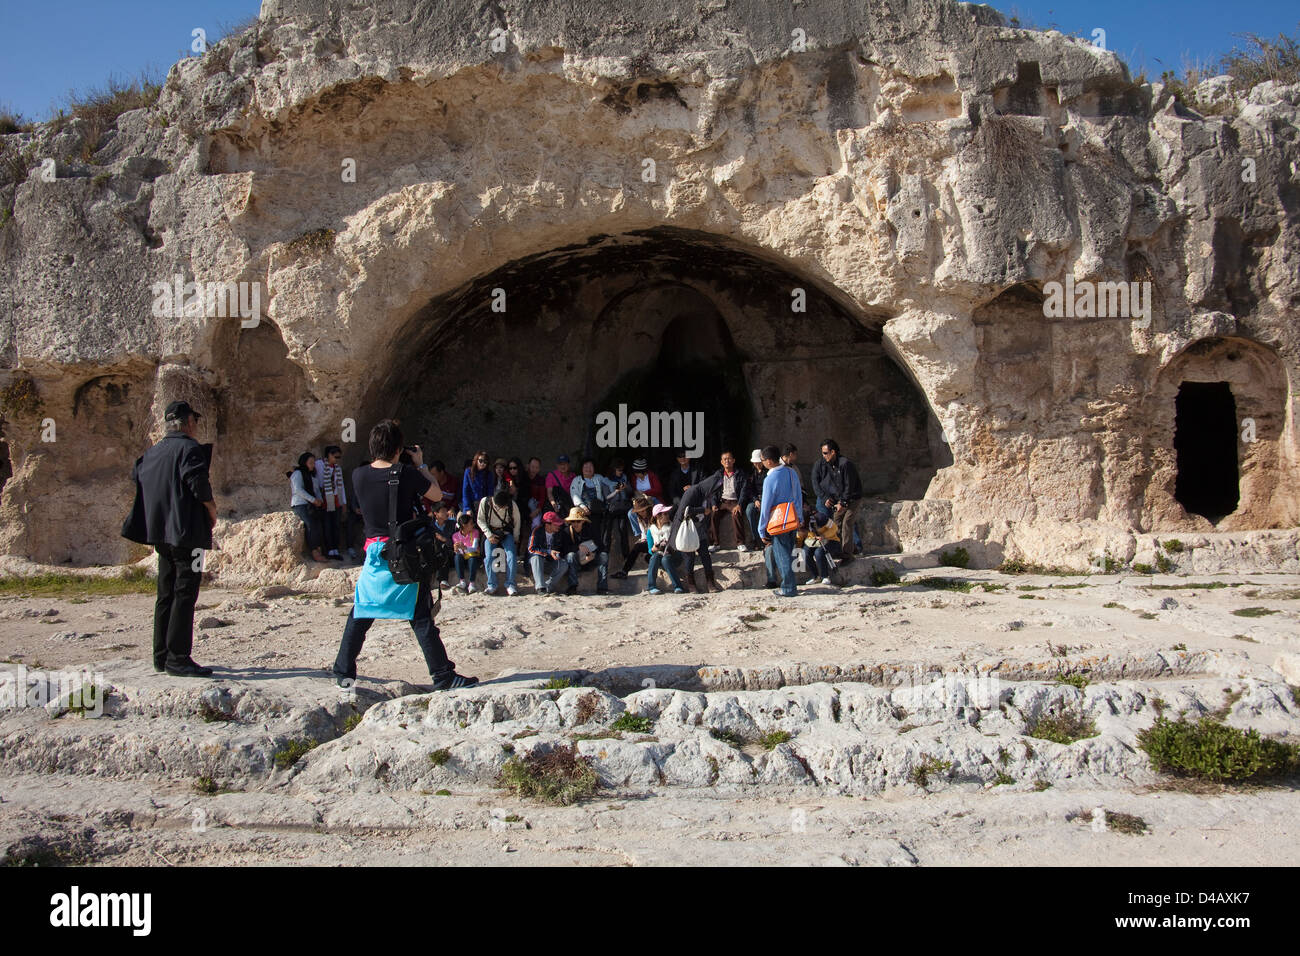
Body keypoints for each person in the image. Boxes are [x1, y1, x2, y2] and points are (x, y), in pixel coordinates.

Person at [331, 420, 477, 690]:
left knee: (361, 612)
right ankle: (443, 676)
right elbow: (436, 495)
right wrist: (420, 464)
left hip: (374, 552)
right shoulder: (406, 474)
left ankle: (343, 673)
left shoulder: (358, 475)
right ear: (399, 449)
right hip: (403, 552)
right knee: (421, 617)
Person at [121, 400, 218, 677]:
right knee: (186, 593)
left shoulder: (152, 453)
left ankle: (161, 656)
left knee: (165, 592)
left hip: (161, 535)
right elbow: (198, 485)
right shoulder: (190, 450)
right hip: (190, 534)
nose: (196, 426)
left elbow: (138, 479)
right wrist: (211, 510)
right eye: (195, 421)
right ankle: (178, 658)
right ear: (188, 422)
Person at [668, 469, 724, 592]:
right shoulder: (693, 491)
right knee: (689, 556)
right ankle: (691, 584)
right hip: (687, 528)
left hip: (699, 527)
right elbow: (684, 511)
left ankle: (710, 582)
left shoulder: (706, 494)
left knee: (705, 554)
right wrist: (702, 510)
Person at [758, 444, 803, 597]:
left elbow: (766, 505)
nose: (762, 463)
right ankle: (791, 585)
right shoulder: (791, 472)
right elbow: (798, 496)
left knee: (781, 555)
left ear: (769, 461)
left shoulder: (770, 479)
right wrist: (800, 516)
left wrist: (761, 528)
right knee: (789, 553)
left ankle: (788, 588)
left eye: (763, 460)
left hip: (778, 522)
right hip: (792, 518)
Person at [811, 438, 863, 560]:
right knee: (836, 523)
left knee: (847, 523)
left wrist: (843, 502)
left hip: (853, 498)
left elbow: (849, 486)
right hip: (841, 499)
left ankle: (847, 555)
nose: (823, 456)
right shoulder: (829, 465)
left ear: (833, 452)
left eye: (825, 453)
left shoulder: (845, 464)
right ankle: (842, 549)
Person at [477, 486, 521, 596]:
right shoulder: (485, 502)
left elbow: (517, 522)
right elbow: (480, 520)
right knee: (488, 557)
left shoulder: (512, 505)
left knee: (511, 555)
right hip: (491, 532)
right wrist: (488, 534)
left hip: (506, 532)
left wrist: (515, 537)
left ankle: (510, 584)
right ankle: (492, 584)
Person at [569, 458, 616, 554]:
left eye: (590, 466)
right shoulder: (577, 480)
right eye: (585, 466)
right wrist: (582, 506)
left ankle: (599, 550)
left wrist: (619, 485)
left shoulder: (599, 478)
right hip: (582, 510)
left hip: (597, 509)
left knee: (596, 526)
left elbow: (610, 484)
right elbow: (574, 494)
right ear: (581, 468)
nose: (588, 469)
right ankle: (588, 550)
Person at [710, 450, 754, 552]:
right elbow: (713, 490)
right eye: (724, 459)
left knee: (736, 514)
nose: (727, 461)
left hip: (735, 501)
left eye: (729, 459)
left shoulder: (740, 473)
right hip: (723, 501)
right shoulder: (718, 474)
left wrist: (739, 504)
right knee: (714, 515)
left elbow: (744, 490)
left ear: (733, 460)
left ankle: (740, 543)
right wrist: (713, 504)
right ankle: (715, 543)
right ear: (721, 462)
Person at [288, 452, 327, 563]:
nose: (313, 465)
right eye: (310, 463)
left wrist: (320, 500)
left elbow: (316, 490)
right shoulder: (298, 474)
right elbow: (298, 490)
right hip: (300, 504)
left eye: (313, 463)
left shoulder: (312, 476)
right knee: (310, 525)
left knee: (318, 524)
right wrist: (313, 500)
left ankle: (319, 550)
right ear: (304, 463)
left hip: (312, 505)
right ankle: (315, 552)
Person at [563, 506, 609, 595]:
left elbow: (600, 546)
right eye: (573, 521)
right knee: (570, 555)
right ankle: (572, 586)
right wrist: (578, 547)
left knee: (604, 555)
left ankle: (602, 587)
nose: (575, 523)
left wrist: (592, 555)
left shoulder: (592, 530)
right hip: (575, 561)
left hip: (591, 560)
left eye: (578, 521)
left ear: (583, 521)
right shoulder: (566, 532)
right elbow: (564, 549)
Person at [528, 510, 572, 595]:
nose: (558, 526)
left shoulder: (559, 533)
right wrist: (548, 552)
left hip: (550, 562)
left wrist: (558, 554)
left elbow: (564, 549)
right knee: (536, 557)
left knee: (564, 564)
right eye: (556, 524)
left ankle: (548, 587)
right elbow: (531, 549)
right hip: (536, 564)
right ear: (547, 524)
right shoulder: (537, 531)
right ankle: (540, 588)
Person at [611, 493, 654, 579]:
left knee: (647, 557)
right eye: (639, 512)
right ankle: (624, 571)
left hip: (657, 542)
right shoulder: (639, 518)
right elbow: (644, 532)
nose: (642, 513)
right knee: (636, 548)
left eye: (643, 511)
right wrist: (642, 540)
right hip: (649, 541)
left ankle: (653, 568)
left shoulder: (654, 516)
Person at [645, 504, 685, 594]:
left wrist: (669, 546)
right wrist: (654, 549)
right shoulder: (651, 530)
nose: (668, 515)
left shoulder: (673, 527)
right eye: (665, 514)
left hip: (675, 555)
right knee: (655, 557)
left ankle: (678, 586)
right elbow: (650, 550)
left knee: (666, 559)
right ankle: (651, 587)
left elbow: (679, 545)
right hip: (660, 556)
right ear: (658, 516)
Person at [316, 445, 347, 559]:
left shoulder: (337, 468)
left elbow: (341, 485)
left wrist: (344, 503)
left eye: (338, 457)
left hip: (336, 500)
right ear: (328, 455)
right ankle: (329, 550)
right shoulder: (320, 465)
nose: (337, 459)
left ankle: (335, 549)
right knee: (327, 526)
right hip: (326, 501)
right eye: (335, 456)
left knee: (336, 525)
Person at [606, 458, 632, 562]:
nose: (621, 472)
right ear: (613, 469)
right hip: (612, 507)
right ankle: (605, 554)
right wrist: (616, 491)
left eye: (622, 470)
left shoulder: (624, 477)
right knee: (607, 530)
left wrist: (626, 487)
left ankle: (626, 555)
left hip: (623, 506)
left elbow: (630, 491)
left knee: (623, 528)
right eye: (619, 470)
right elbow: (606, 497)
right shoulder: (606, 480)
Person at [453, 512, 482, 593]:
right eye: (471, 523)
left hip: (473, 556)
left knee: (472, 559)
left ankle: (472, 583)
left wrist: (464, 547)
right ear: (464, 526)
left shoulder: (475, 532)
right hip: (463, 557)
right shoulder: (455, 536)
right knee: (457, 556)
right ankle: (462, 581)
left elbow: (475, 548)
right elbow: (459, 552)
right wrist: (456, 549)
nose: (473, 525)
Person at [744, 449, 767, 545]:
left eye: (758, 462)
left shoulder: (768, 472)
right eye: (755, 463)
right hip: (756, 498)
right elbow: (749, 488)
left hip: (766, 498)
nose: (756, 464)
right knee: (749, 510)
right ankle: (756, 539)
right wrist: (755, 500)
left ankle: (767, 537)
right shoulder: (751, 473)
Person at [461, 450, 493, 518]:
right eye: (480, 461)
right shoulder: (468, 472)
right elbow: (465, 491)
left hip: (483, 504)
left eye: (485, 462)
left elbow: (490, 491)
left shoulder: (489, 474)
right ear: (476, 460)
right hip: (471, 503)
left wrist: (489, 505)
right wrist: (467, 508)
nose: (482, 463)